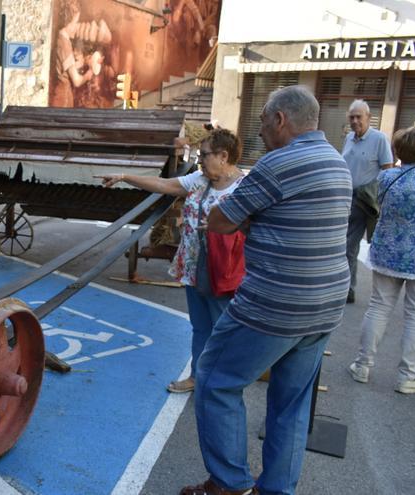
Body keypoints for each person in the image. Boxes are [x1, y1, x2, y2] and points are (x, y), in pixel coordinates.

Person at [181, 85, 352, 495]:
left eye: (261, 122)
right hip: (325, 305)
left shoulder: (277, 164)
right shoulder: (336, 161)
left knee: (215, 378)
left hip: (275, 304)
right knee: (292, 403)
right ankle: (275, 489)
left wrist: (249, 221)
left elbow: (221, 220)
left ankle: (229, 483)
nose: (258, 132)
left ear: (280, 120)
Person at [97, 128, 244, 394]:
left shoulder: (245, 187)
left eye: (204, 155)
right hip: (194, 267)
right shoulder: (200, 180)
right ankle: (197, 377)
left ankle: (223, 383)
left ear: (223, 156)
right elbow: (165, 185)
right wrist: (124, 176)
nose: (200, 161)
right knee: (200, 327)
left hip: (223, 271)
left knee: (223, 329)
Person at [348, 126, 415, 394]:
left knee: (378, 307)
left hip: (388, 253)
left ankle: (362, 365)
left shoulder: (387, 177)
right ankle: (408, 377)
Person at [342, 99, 394, 303]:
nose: (355, 121)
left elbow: (387, 170)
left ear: (369, 117)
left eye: (359, 117)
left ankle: (355, 291)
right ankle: (346, 288)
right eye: (352, 117)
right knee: (346, 246)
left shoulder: (379, 139)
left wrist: (375, 193)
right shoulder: (349, 138)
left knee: (358, 246)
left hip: (366, 201)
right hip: (347, 199)